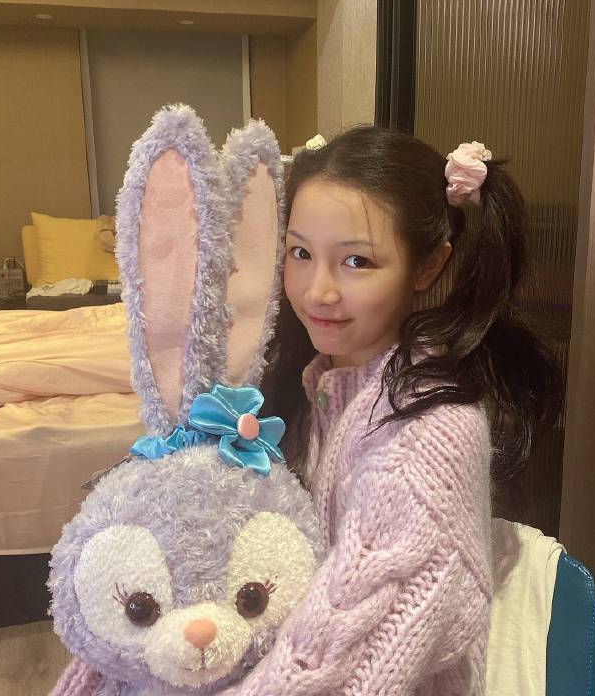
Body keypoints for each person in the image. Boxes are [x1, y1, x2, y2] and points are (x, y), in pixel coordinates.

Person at [226, 126, 562, 695]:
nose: (317, 290)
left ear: (427, 267)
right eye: (300, 252)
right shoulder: (314, 383)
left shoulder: (427, 439)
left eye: (356, 261)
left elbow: (336, 674)